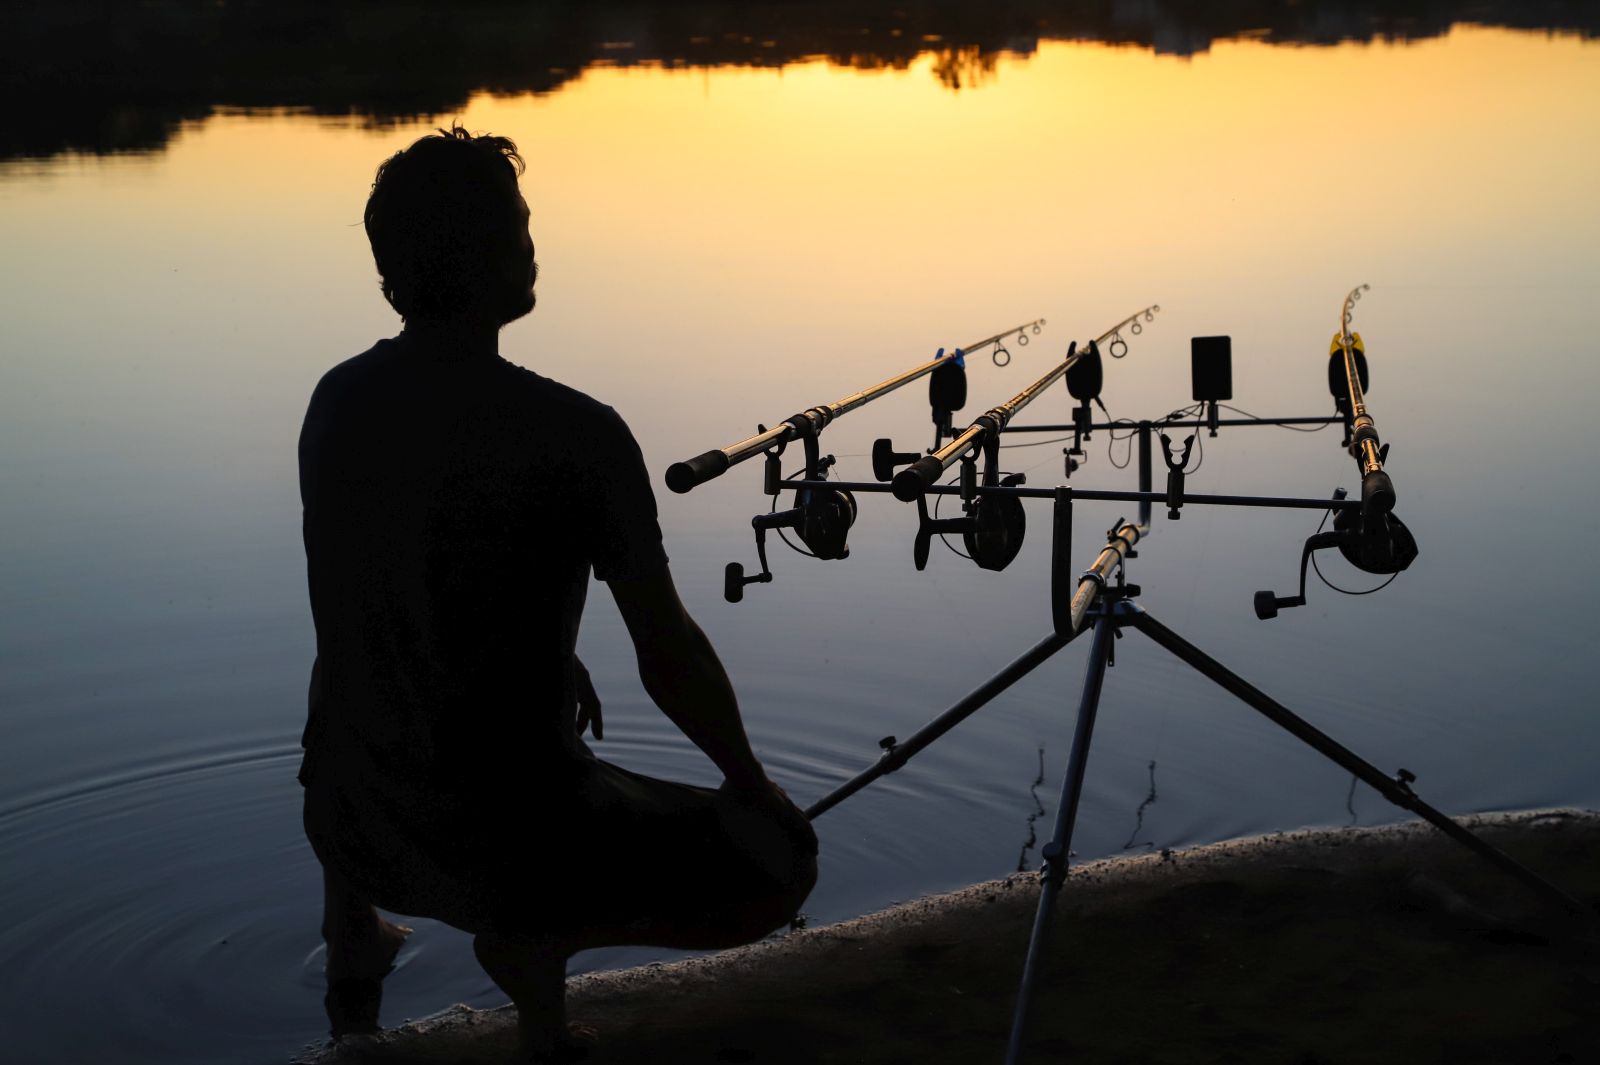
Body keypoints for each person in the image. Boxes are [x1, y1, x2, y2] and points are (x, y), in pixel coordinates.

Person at [297, 125, 817, 1062]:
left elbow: (380, 588)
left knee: (345, 652)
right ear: (497, 256)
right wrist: (752, 784)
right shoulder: (579, 435)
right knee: (779, 865)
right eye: (522, 229)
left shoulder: (339, 401)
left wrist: (546, 646)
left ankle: (352, 929)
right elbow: (669, 653)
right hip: (507, 849)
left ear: (393, 277)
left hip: (351, 818)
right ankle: (537, 970)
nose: (535, 247)